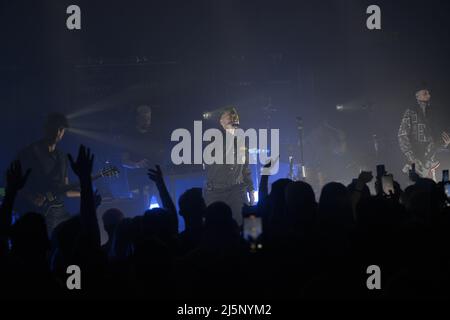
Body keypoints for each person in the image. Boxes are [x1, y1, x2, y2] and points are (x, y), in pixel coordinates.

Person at [16, 113, 80, 234]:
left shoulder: (62, 157)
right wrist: (30, 196)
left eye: (61, 129)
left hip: (59, 212)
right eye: (55, 128)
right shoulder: (28, 153)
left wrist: (84, 193)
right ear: (46, 128)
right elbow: (12, 185)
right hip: (36, 214)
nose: (58, 132)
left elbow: (64, 190)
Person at [203, 106, 254, 226]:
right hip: (216, 192)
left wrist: (251, 188)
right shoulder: (212, 138)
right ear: (221, 121)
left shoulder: (242, 139)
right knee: (216, 228)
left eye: (234, 115)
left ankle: (251, 244)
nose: (232, 117)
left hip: (237, 190)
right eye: (229, 115)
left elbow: (245, 166)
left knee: (247, 224)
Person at [398, 85, 450, 180]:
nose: (428, 95)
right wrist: (412, 157)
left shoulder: (432, 113)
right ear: (417, 96)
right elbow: (402, 135)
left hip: (430, 161)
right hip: (417, 161)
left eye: (429, 93)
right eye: (425, 93)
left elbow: (433, 141)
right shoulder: (410, 112)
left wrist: (445, 143)